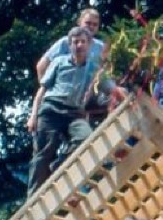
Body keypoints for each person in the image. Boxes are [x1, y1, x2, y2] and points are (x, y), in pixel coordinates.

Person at [26, 26, 125, 194]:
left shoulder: (93, 68)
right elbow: (42, 91)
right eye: (75, 42)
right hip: (51, 109)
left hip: (74, 113)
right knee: (44, 152)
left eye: (83, 42)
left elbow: (110, 87)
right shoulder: (59, 62)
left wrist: (125, 93)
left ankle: (58, 167)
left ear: (89, 45)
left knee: (86, 139)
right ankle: (32, 197)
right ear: (70, 45)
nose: (79, 45)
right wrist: (33, 116)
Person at [36, 7, 105, 82]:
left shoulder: (101, 47)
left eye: (95, 24)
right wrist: (45, 86)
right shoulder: (65, 43)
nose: (91, 27)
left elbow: (107, 73)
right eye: (88, 23)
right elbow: (41, 66)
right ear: (79, 22)